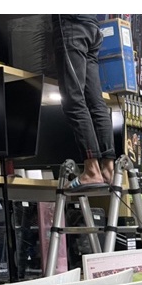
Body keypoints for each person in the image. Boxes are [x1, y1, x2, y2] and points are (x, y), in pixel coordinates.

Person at [50, 14, 115, 191]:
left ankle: (92, 170)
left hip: (72, 23)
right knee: (95, 102)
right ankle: (108, 169)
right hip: (92, 26)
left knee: (73, 100)